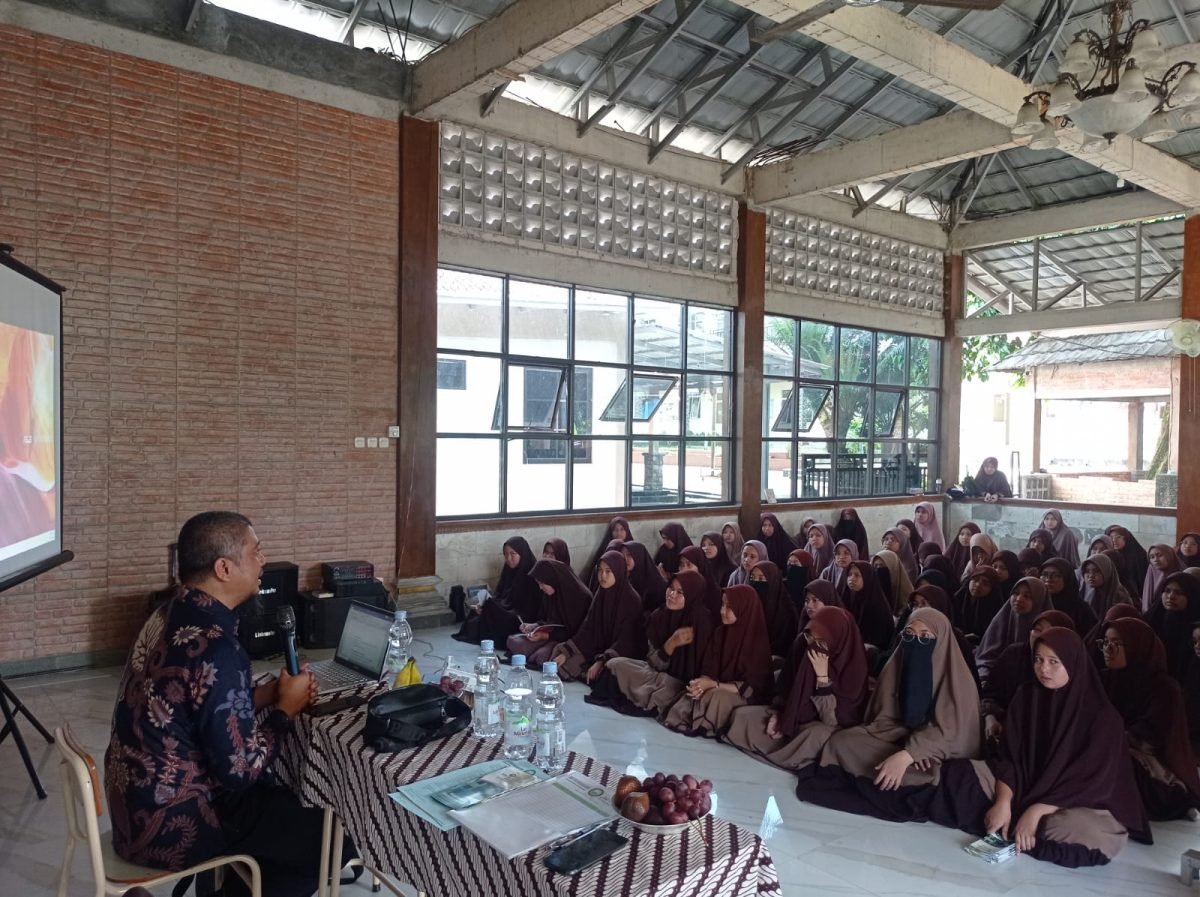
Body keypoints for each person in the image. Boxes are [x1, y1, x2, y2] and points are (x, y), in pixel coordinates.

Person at [105, 512, 339, 897]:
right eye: (256, 551)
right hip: (176, 821)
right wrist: (285, 711)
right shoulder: (217, 647)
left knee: (284, 811)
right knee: (329, 838)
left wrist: (266, 695)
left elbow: (191, 703)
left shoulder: (167, 613)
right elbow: (240, 772)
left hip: (131, 804)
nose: (263, 560)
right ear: (224, 568)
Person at [923, 627, 1151, 868]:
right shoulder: (1027, 697)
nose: (1044, 669)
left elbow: (1092, 783)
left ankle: (1018, 825)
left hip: (1076, 802)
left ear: (1073, 664)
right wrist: (1003, 801)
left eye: (1054, 662)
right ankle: (1012, 823)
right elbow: (1009, 758)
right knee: (957, 775)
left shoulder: (1103, 718)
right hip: (1024, 784)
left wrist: (1036, 811)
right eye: (1039, 660)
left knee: (1083, 831)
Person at [795, 608, 981, 816]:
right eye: (909, 635)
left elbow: (954, 734)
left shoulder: (959, 681)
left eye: (925, 637)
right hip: (896, 738)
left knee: (938, 774)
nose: (915, 642)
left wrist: (911, 753)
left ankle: (893, 777)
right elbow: (883, 719)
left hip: (938, 753)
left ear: (942, 640)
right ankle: (890, 779)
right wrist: (905, 746)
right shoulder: (896, 665)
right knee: (843, 741)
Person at [724, 607, 869, 771]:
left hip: (823, 724)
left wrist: (822, 679)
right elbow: (785, 688)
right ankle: (778, 745)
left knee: (815, 736)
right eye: (810, 637)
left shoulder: (854, 668)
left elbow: (832, 721)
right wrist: (779, 714)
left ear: (837, 639)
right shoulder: (803, 643)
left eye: (821, 641)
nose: (813, 645)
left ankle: (779, 752)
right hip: (794, 715)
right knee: (743, 716)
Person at [1099, 618, 1200, 820]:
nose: (1108, 649)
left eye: (1116, 643)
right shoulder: (1105, 679)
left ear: (1137, 645)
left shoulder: (1164, 687)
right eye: (1105, 643)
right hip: (1110, 743)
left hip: (1149, 757)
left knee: (1120, 762)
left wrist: (1109, 740)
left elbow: (1151, 735)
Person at [662, 585, 774, 738]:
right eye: (722, 604)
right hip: (718, 686)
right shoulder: (720, 633)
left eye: (729, 607)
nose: (722, 611)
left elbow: (754, 688)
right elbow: (709, 668)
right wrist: (702, 683)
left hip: (744, 696)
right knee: (695, 691)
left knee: (716, 696)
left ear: (744, 609)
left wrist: (714, 685)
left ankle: (701, 724)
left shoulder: (757, 642)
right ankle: (687, 718)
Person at [603, 571, 713, 717]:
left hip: (681, 684)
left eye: (680, 592)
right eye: (670, 588)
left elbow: (704, 670)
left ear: (692, 595)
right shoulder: (659, 616)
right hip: (656, 673)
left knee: (667, 687)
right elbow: (653, 663)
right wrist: (671, 644)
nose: (672, 594)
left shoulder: (702, 622)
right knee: (615, 664)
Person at [980, 610, 1075, 743]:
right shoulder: (1013, 655)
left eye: (1051, 632)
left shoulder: (1069, 669)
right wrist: (990, 717)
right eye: (1037, 629)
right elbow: (990, 694)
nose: (1042, 636)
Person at [551, 550, 645, 682]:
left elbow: (626, 641)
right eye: (600, 570)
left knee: (608, 676)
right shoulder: (601, 593)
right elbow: (588, 628)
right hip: (597, 647)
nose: (602, 576)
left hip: (620, 654)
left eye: (608, 571)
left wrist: (601, 661)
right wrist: (567, 652)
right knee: (559, 655)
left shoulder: (632, 600)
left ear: (618, 571)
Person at [506, 559, 592, 668]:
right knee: (513, 641)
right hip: (552, 636)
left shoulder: (580, 597)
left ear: (552, 579)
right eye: (538, 583)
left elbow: (578, 633)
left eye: (542, 583)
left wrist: (545, 636)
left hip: (571, 642)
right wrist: (534, 626)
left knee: (542, 657)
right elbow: (548, 620)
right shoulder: (551, 593)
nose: (540, 588)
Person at [453, 537, 539, 645]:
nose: (508, 558)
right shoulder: (508, 572)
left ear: (522, 554)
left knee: (490, 610)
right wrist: (484, 605)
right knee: (475, 615)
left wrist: (495, 607)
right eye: (506, 554)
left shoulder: (531, 575)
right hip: (507, 611)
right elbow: (500, 595)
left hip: (521, 619)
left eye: (513, 554)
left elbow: (528, 609)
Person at [975, 577, 1053, 683]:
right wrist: (985, 680)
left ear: (1039, 601)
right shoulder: (1002, 619)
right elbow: (986, 658)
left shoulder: (1047, 628)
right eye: (1015, 593)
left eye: (1028, 596)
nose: (1019, 599)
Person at [1145, 571, 1200, 681]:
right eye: (1167, 591)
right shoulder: (1153, 617)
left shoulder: (1196, 628)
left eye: (1178, 593)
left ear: (1191, 595)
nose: (1171, 596)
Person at [842, 561, 895, 653]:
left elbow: (877, 644)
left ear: (867, 578)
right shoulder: (851, 598)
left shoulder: (877, 606)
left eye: (857, 575)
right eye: (849, 574)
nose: (851, 579)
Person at [749, 560, 799, 657]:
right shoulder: (749, 607)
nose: (755, 583)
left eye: (761, 578)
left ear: (773, 580)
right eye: (752, 578)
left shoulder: (787, 612)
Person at [1039, 558, 1098, 636]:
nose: (1049, 579)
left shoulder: (1082, 610)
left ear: (1068, 579)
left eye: (1056, 575)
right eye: (1045, 574)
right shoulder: (1036, 603)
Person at [584, 517, 634, 590]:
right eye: (615, 530)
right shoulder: (606, 550)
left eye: (622, 529)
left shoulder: (633, 550)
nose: (619, 533)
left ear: (627, 531)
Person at [677, 544, 722, 621]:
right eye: (681, 564)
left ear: (700, 567)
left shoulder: (713, 594)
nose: (683, 569)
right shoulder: (676, 588)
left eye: (689, 565)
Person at [1080, 553, 1132, 618]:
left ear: (1106, 571)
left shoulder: (1120, 596)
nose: (1091, 576)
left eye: (1096, 571)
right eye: (1087, 571)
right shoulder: (1083, 593)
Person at [622, 541, 667, 614]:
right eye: (622, 555)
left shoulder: (658, 585)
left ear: (639, 556)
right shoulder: (628, 579)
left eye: (629, 555)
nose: (624, 559)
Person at [1107, 525, 1150, 598]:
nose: (1114, 540)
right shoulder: (1110, 556)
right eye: (1111, 538)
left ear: (1126, 538)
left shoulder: (1139, 555)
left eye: (1118, 537)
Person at [872, 549, 914, 616]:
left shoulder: (908, 594)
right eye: (876, 566)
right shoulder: (871, 591)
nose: (878, 569)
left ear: (893, 568)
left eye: (882, 566)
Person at [1142, 543, 1183, 613]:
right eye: (1152, 557)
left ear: (1169, 555)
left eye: (1160, 555)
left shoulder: (1182, 575)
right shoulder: (1151, 570)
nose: (1156, 559)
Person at [819, 539, 858, 603]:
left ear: (854, 554)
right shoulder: (827, 572)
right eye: (838, 553)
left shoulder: (860, 573)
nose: (841, 557)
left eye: (846, 553)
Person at [784, 549, 818, 616]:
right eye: (789, 563)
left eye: (796, 563)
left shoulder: (815, 587)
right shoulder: (783, 586)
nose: (792, 566)